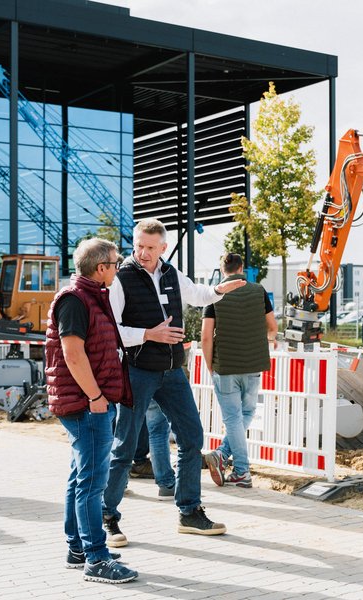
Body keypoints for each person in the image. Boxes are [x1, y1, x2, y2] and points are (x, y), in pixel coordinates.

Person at [102, 218, 245, 546]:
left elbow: (198, 294)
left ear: (163, 247)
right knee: (124, 445)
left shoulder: (170, 273)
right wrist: (149, 334)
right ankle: (107, 516)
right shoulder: (122, 278)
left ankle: (189, 512)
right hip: (138, 371)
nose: (143, 252)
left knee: (192, 437)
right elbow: (112, 329)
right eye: (139, 245)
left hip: (173, 372)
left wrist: (220, 290)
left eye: (150, 247)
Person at [45, 238, 138, 584]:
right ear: (101, 267)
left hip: (89, 403)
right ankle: (96, 560)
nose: (118, 268)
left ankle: (78, 548)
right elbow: (72, 354)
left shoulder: (91, 296)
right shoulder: (75, 300)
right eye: (115, 263)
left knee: (80, 476)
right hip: (87, 405)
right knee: (91, 483)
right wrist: (96, 397)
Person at [201, 253, 278, 488]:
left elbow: (205, 336)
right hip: (253, 365)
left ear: (222, 269)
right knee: (246, 414)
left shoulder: (215, 294)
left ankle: (239, 468)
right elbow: (272, 327)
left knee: (233, 418)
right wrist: (267, 339)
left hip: (225, 366)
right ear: (242, 268)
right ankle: (224, 457)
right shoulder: (259, 291)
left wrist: (209, 365)